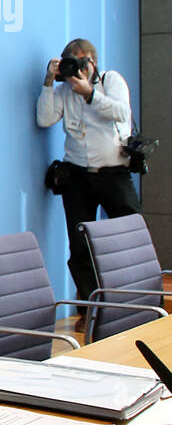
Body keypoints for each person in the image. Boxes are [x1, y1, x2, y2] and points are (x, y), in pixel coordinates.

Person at [36, 38, 141, 311]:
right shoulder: (63, 90)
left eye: (82, 62)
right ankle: (91, 309)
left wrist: (90, 95)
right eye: (71, 64)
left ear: (93, 62)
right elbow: (45, 119)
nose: (77, 71)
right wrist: (49, 82)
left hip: (113, 175)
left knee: (131, 238)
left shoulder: (110, 81)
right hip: (77, 177)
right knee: (80, 246)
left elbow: (122, 112)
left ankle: (138, 302)